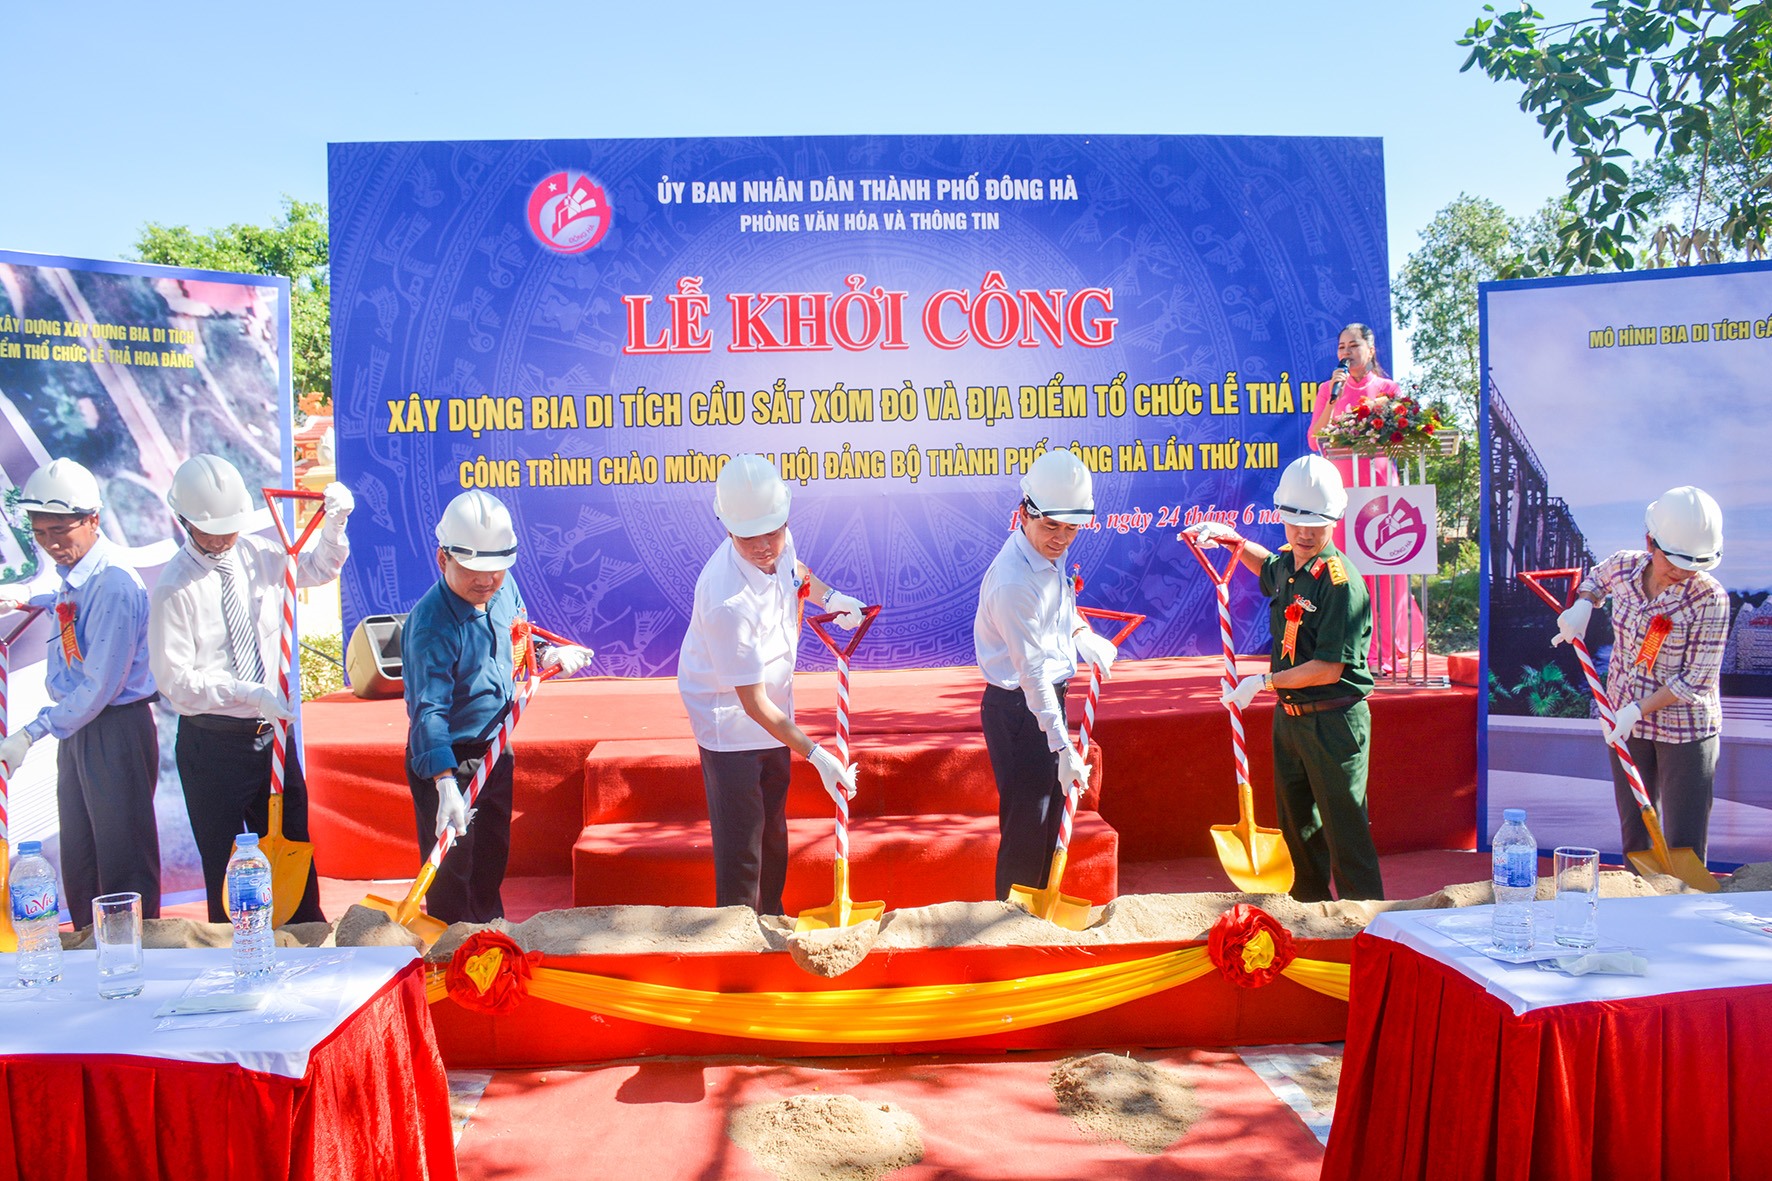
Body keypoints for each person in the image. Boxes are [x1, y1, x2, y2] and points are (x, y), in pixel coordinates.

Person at [148, 454, 352, 925]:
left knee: (293, 843)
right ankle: (234, 951)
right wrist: (246, 691)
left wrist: (336, 524)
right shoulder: (174, 587)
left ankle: (304, 936)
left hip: (271, 733)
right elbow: (175, 682)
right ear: (183, 521)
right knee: (225, 864)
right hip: (212, 741)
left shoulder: (258, 553)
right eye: (210, 531)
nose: (222, 540)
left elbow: (317, 569)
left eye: (230, 528)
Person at [1184, 453, 1382, 902]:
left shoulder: (1340, 583)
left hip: (1334, 721)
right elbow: (1268, 566)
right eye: (1295, 523)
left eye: (1315, 524)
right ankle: (1309, 915)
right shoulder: (1293, 564)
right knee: (1298, 829)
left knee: (1345, 833)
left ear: (1334, 520)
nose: (1304, 533)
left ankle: (1366, 924)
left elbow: (1329, 667)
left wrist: (1263, 683)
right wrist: (1233, 541)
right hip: (1291, 719)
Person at [677, 454, 865, 914]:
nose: (764, 546)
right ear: (727, 529)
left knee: (774, 834)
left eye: (773, 533)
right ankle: (738, 931)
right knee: (743, 846)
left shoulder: (778, 539)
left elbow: (795, 572)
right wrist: (818, 756)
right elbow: (753, 704)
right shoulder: (727, 599)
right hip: (730, 721)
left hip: (777, 709)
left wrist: (831, 597)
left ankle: (772, 917)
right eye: (749, 537)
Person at [403, 490, 593, 924]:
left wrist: (545, 654)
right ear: (443, 559)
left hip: (495, 744)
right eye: (473, 571)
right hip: (448, 757)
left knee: (491, 857)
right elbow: (428, 711)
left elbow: (518, 636)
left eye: (497, 569)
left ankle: (491, 940)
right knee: (453, 873)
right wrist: (444, 783)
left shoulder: (503, 589)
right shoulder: (430, 625)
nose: (487, 581)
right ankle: (452, 948)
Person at [0, 458, 161, 922]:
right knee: (81, 851)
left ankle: (133, 947)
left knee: (122, 854)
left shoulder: (112, 583)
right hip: (80, 727)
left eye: (60, 531)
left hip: (113, 726)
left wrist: (30, 733)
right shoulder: (78, 578)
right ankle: (88, 944)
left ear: (92, 520)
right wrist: (27, 600)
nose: (51, 544)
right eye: (40, 533)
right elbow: (71, 607)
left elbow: (99, 686)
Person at [1554, 486, 1728, 865]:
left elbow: (1696, 680)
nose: (1682, 572)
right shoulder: (1623, 567)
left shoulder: (1710, 598)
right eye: (1674, 562)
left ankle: (1681, 896)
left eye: (1693, 565)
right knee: (1636, 829)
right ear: (1650, 542)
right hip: (1624, 721)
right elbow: (1595, 581)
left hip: (1684, 727)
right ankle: (1638, 890)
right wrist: (1584, 604)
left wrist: (1638, 709)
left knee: (1684, 842)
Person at [974, 449, 1117, 901]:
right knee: (1027, 829)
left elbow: (1059, 611)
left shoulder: (1043, 554)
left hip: (1044, 703)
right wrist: (1060, 745)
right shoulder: (1014, 581)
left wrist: (1081, 635)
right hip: (1021, 710)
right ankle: (1012, 925)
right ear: (1024, 515)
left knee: (1050, 822)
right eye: (1051, 526)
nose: (1060, 539)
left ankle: (1037, 915)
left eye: (1071, 528)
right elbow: (1032, 673)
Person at [1306, 321, 1425, 673]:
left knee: (1385, 570)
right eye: (1341, 347)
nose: (1346, 352)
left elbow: (1403, 435)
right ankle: (1354, 648)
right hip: (1344, 492)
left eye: (1353, 345)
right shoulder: (1328, 389)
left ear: (1370, 350)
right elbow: (1315, 439)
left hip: (1381, 490)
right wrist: (1334, 398)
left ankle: (1385, 651)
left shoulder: (1388, 389)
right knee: (1350, 571)